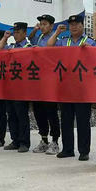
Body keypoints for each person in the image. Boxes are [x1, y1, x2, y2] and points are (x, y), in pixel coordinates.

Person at [47, 14, 96, 161]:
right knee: (66, 120)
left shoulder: (90, 42)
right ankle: (68, 149)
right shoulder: (64, 41)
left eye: (77, 24)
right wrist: (57, 32)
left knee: (83, 121)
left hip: (83, 88)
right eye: (71, 24)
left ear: (82, 25)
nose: (74, 27)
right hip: (66, 87)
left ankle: (84, 151)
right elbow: (49, 47)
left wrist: (90, 50)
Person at [0, 23, 34, 153]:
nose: (15, 35)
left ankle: (24, 142)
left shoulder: (29, 47)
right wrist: (5, 37)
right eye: (14, 32)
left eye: (18, 32)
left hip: (22, 87)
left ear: (24, 33)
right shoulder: (11, 47)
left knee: (21, 115)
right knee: (11, 114)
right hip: (10, 87)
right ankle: (15, 140)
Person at [29, 14, 61, 155]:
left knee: (51, 112)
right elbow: (30, 38)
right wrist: (35, 30)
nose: (42, 26)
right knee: (38, 111)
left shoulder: (57, 40)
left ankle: (55, 141)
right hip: (37, 80)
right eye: (41, 24)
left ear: (51, 26)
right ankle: (44, 139)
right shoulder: (39, 38)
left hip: (50, 81)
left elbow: (52, 54)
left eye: (45, 24)